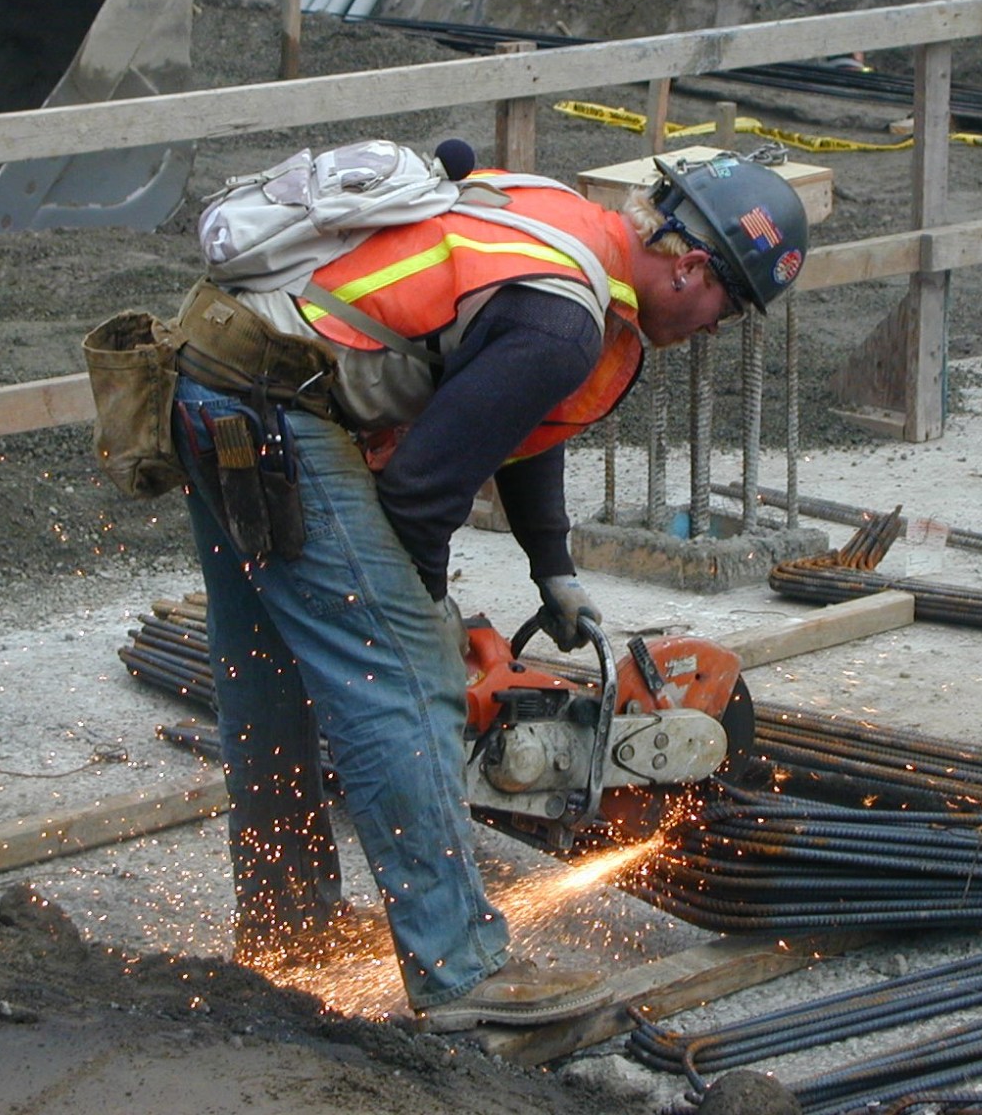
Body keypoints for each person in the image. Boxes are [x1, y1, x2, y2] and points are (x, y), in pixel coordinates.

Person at [167, 145, 809, 1032]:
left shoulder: (569, 231)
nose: (715, 329)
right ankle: (459, 967)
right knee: (402, 685)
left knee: (270, 678)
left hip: (219, 377)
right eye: (725, 308)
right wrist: (430, 620)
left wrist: (554, 568)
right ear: (692, 266)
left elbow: (519, 419)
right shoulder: (564, 320)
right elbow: (421, 495)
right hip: (280, 406)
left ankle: (291, 929)